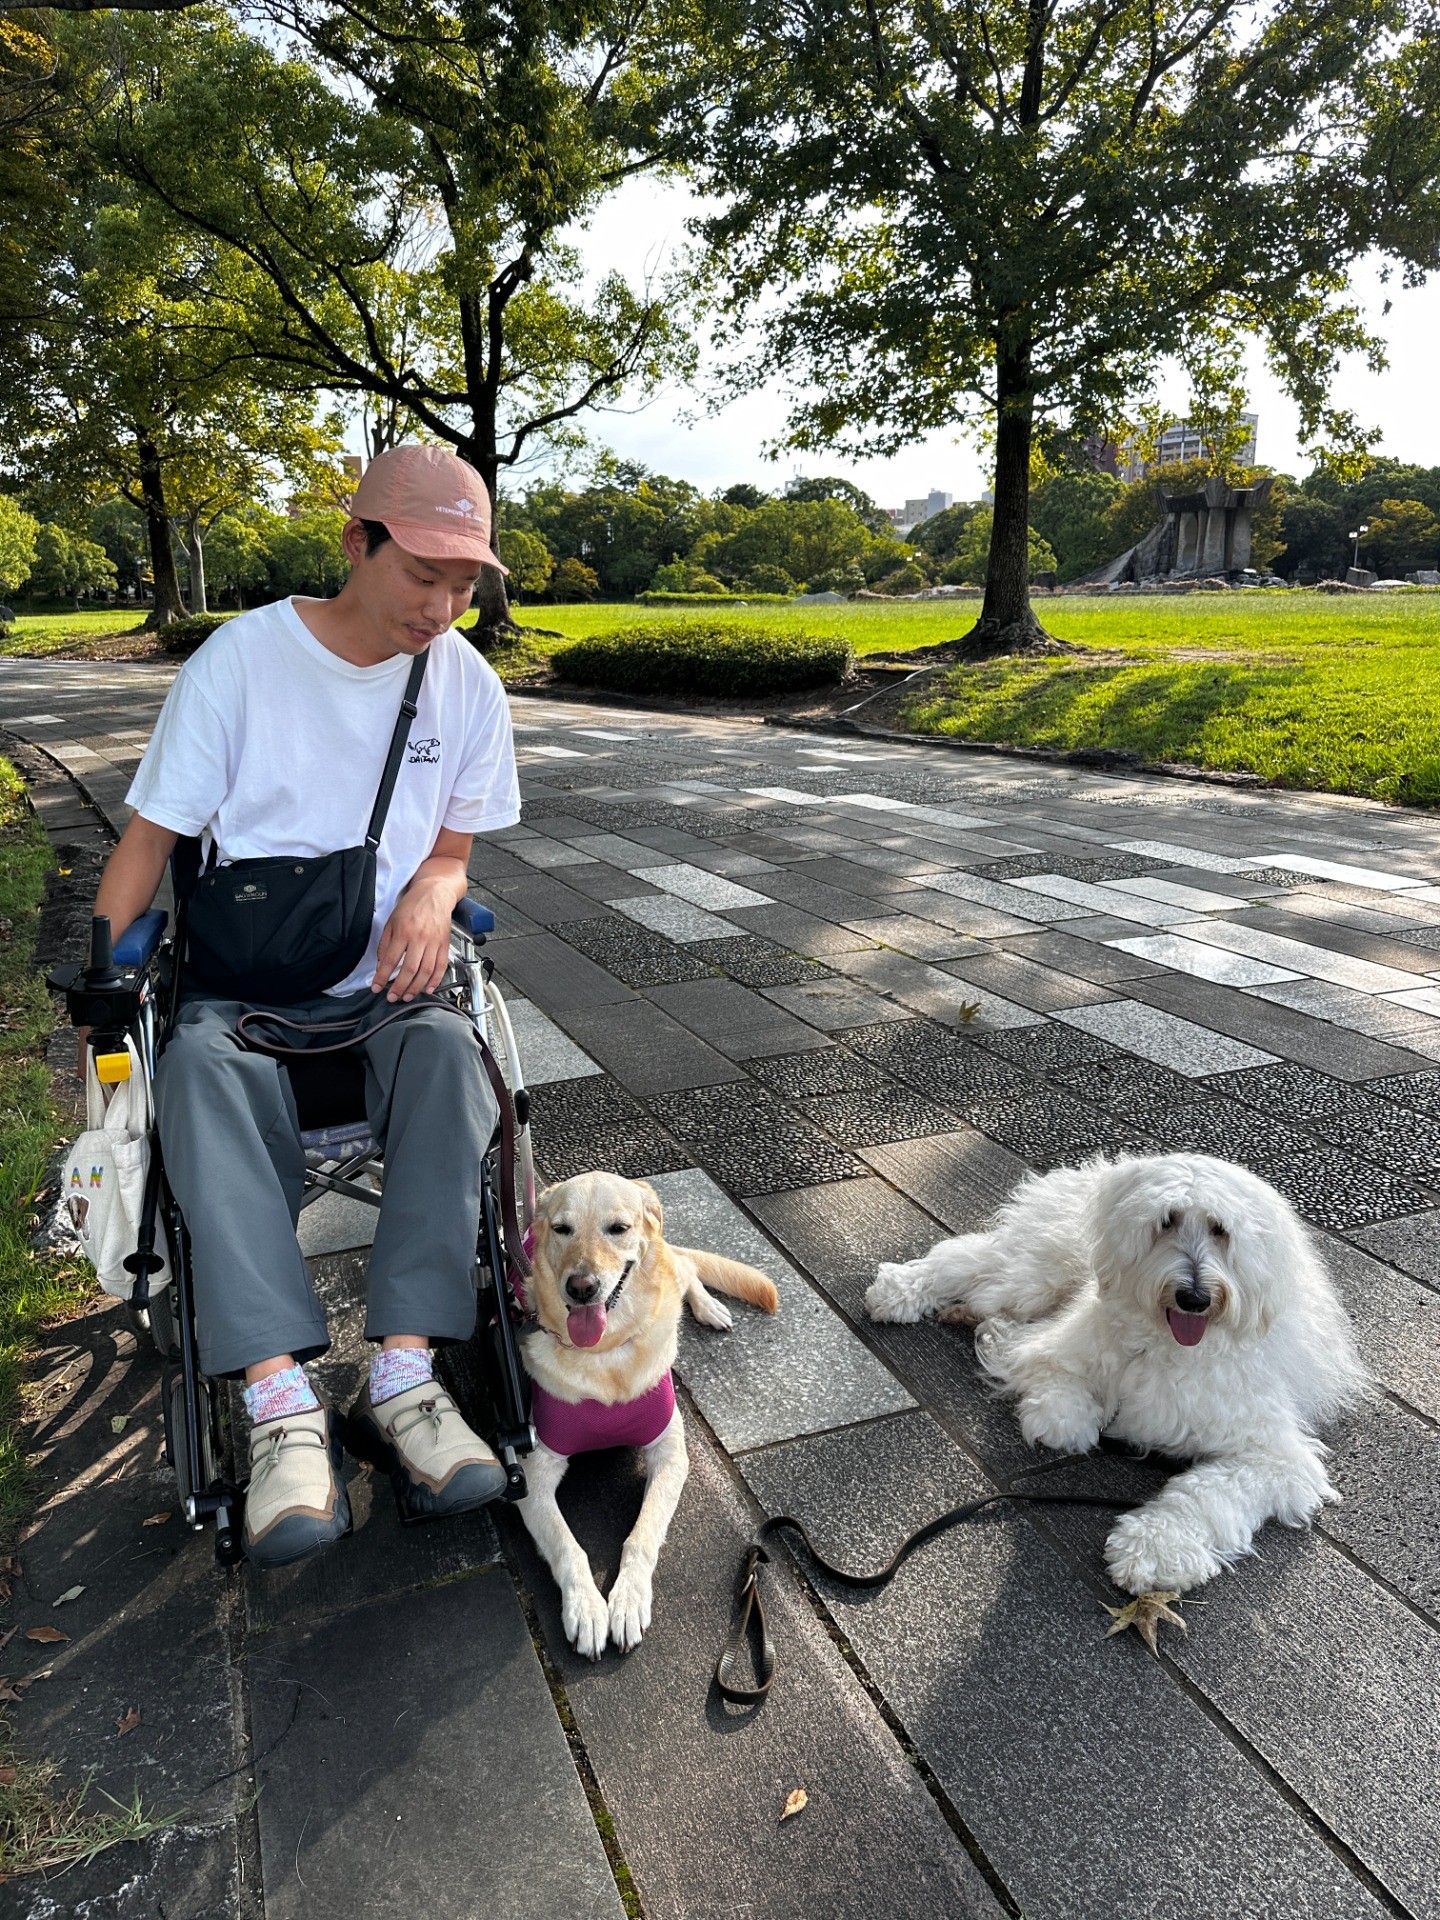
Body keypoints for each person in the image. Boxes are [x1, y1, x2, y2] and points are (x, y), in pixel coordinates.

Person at [88, 444, 521, 1569]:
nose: (442, 607)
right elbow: (151, 838)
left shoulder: (466, 685)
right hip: (244, 995)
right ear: (355, 544)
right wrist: (106, 978)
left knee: (453, 1058)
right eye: (422, 574)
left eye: (463, 584)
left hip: (386, 993)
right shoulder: (241, 664)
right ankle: (279, 1401)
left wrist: (436, 888)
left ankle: (404, 1378)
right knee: (195, 1070)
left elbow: (455, 847)